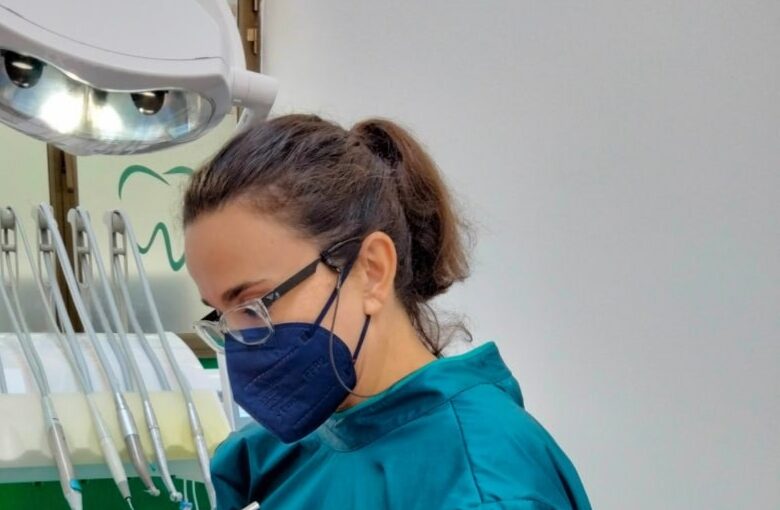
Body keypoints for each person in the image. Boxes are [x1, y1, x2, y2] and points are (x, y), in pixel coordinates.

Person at [183, 114, 591, 510]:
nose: (240, 344)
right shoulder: (275, 454)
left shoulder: (485, 487)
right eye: (222, 315)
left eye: (253, 305)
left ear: (372, 271)